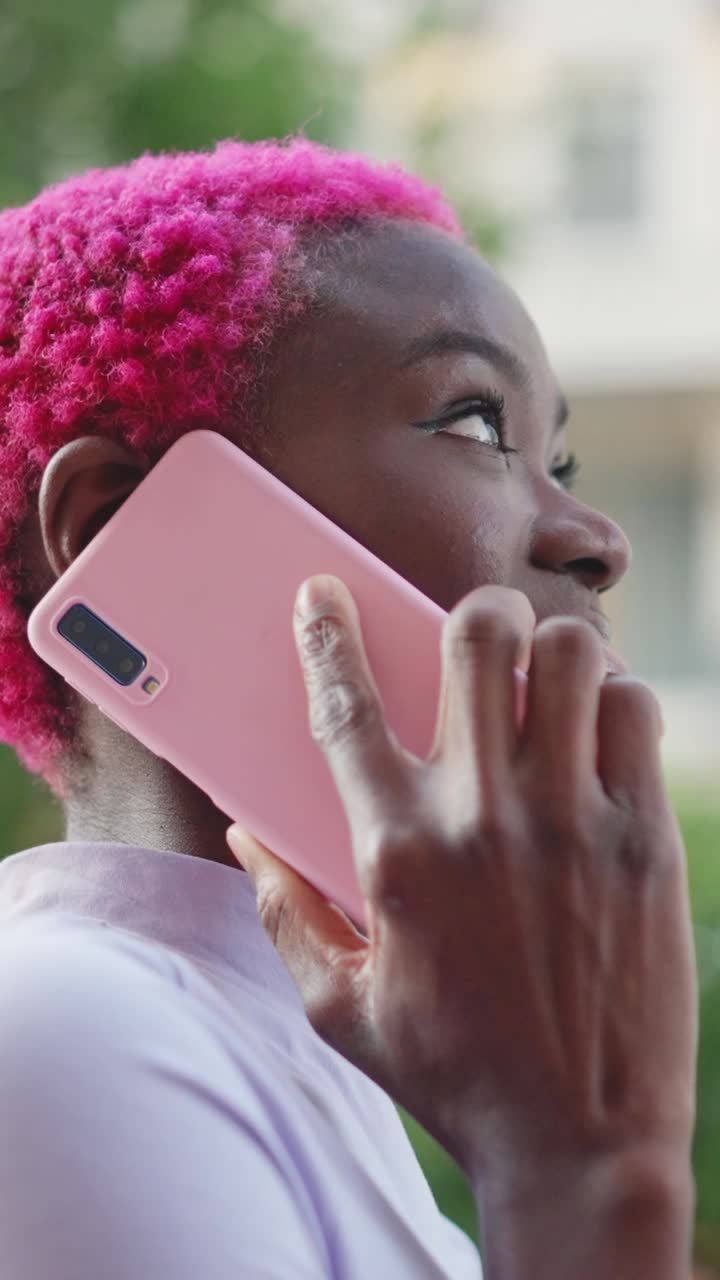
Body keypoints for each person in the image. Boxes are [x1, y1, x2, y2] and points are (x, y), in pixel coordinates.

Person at [0, 138, 696, 1279]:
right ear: (112, 520)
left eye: (558, 464)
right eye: (476, 423)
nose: (597, 539)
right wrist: (590, 1169)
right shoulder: (64, 1029)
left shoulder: (310, 1042)